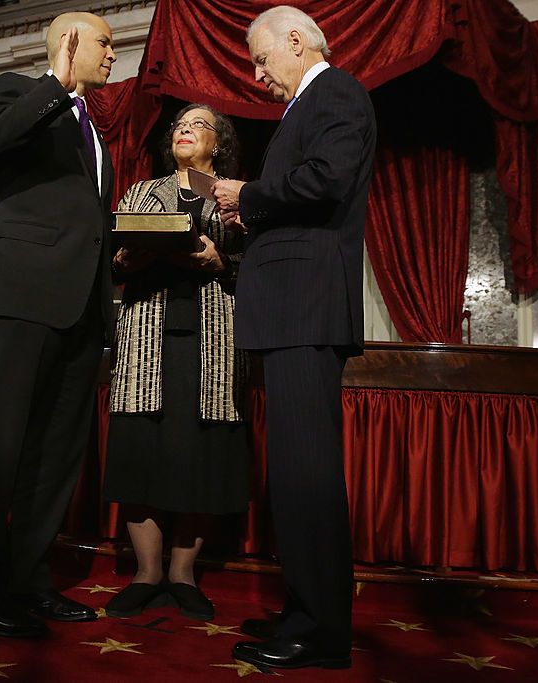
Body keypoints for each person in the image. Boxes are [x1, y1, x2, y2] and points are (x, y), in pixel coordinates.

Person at [211, 5, 376, 671]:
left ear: (297, 41)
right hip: (290, 309)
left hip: (306, 308)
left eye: (260, 58)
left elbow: (325, 179)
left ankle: (321, 628)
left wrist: (246, 196)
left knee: (306, 474)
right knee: (295, 470)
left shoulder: (336, 91)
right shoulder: (303, 107)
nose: (258, 75)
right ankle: (306, 606)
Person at [0, 11, 117, 639]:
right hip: (19, 294)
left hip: (81, 309)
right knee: (1, 444)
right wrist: (55, 81)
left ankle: (29, 581)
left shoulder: (96, 132)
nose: (112, 56)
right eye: (104, 44)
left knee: (55, 452)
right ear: (69, 44)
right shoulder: (18, 90)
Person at [102, 104, 249, 622]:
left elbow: (254, 263)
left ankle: (183, 575)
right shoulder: (142, 192)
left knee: (199, 455)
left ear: (218, 143)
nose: (185, 130)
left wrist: (222, 260)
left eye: (198, 125)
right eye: (179, 125)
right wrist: (124, 259)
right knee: (141, 449)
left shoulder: (233, 194)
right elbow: (116, 251)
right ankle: (146, 574)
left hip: (210, 336)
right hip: (146, 334)